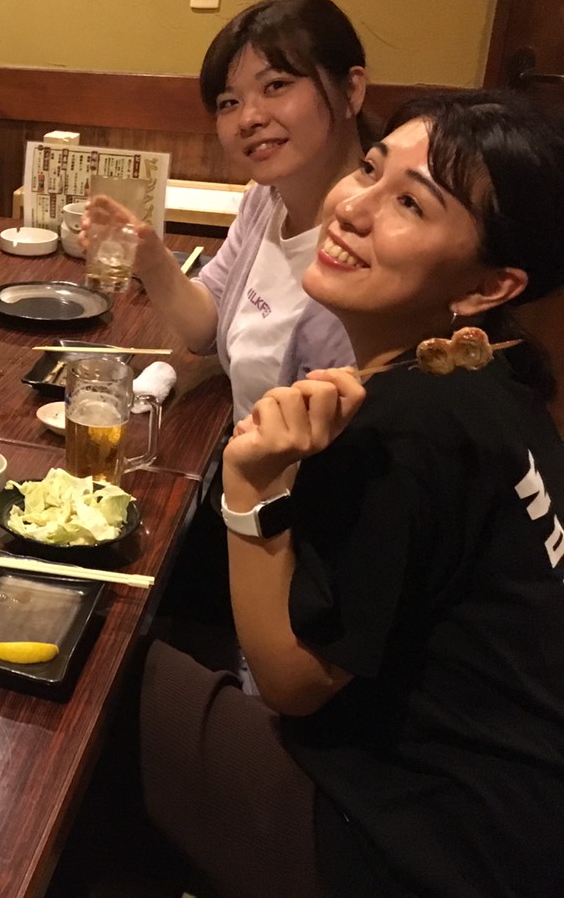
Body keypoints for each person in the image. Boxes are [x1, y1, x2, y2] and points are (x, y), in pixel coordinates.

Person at [140, 91, 564, 896]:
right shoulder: (493, 380)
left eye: (410, 204)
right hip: (514, 812)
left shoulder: (405, 426)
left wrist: (250, 486)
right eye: (372, 170)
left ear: (488, 287)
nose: (353, 208)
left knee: (104, 693)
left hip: (420, 847)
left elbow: (294, 682)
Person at [84, 0, 369, 418]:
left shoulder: (380, 243)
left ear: (351, 90)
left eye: (276, 85)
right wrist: (152, 259)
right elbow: (206, 329)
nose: (248, 118)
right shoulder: (265, 201)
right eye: (229, 103)